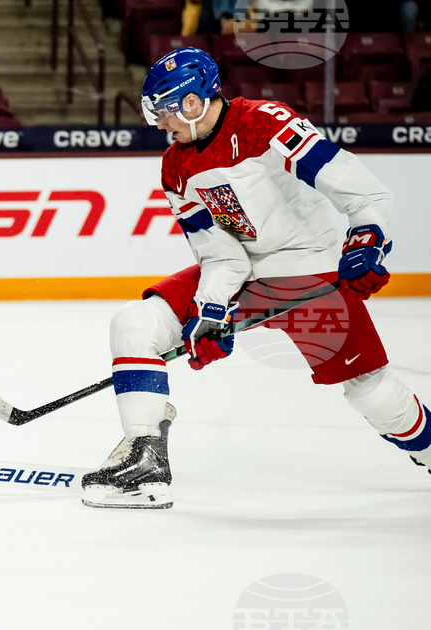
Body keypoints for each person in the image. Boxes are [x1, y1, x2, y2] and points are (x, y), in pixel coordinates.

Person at [82, 47, 429, 509]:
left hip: (309, 268)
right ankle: (147, 461)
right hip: (246, 276)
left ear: (191, 103)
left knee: (371, 392)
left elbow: (362, 191)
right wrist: (210, 310)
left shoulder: (265, 122)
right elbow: (221, 255)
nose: (161, 124)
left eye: (164, 111)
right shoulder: (175, 168)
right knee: (136, 324)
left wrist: (366, 239)